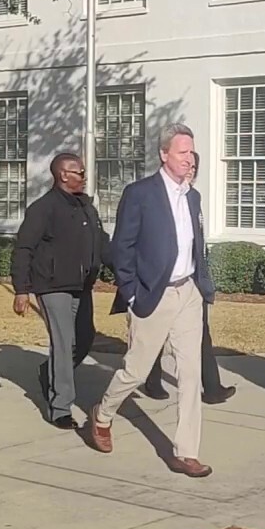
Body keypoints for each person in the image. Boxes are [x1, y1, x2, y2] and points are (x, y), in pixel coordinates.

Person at [86, 123, 217, 478]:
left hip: (188, 292)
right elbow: (121, 247)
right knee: (137, 370)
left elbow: (195, 245)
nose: (189, 159)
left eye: (192, 152)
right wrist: (130, 292)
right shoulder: (140, 193)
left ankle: (186, 452)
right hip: (152, 294)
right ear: (164, 154)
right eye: (182, 153)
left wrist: (203, 286)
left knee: (191, 373)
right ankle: (103, 413)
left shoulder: (193, 196)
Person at [10, 152, 110, 430]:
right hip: (53, 286)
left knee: (85, 339)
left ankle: (51, 372)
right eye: (80, 172)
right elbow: (24, 248)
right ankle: (60, 408)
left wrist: (126, 265)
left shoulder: (86, 206)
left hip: (82, 286)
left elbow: (101, 242)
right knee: (63, 344)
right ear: (63, 174)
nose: (84, 177)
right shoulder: (44, 208)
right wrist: (21, 289)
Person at [142, 151, 235, 405]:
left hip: (194, 279)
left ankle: (212, 387)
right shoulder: (161, 199)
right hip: (165, 280)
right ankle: (151, 379)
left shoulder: (194, 198)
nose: (190, 171)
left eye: (194, 167)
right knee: (158, 333)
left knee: (202, 333)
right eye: (186, 165)